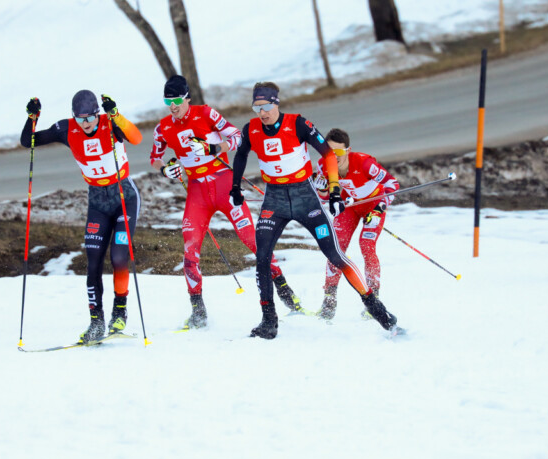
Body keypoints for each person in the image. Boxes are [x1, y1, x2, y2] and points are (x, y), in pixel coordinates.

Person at [230, 81, 402, 339]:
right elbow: (241, 154)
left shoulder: (299, 123)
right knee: (262, 257)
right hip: (274, 199)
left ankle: (377, 309)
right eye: (257, 107)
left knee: (334, 254)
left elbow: (329, 155)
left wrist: (334, 191)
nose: (262, 112)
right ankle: (268, 320)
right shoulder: (251, 129)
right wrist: (235, 187)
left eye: (266, 106)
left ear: (276, 103)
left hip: (304, 196)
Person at [150, 75, 301, 330]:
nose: (172, 106)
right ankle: (198, 310)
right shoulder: (163, 127)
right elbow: (155, 157)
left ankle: (286, 291)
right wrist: (166, 169)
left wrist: (212, 148)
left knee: (251, 240)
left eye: (176, 100)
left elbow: (236, 138)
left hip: (222, 183)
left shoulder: (206, 113)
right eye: (167, 101)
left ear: (187, 98)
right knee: (190, 250)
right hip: (197, 192)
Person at [20, 91, 142, 343]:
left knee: (119, 256)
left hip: (123, 195)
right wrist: (32, 117)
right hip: (97, 200)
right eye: (80, 118)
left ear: (97, 113)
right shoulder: (66, 129)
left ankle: (119, 311)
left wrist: (116, 115)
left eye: (90, 117)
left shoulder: (109, 123)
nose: (85, 123)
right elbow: (28, 141)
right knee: (93, 260)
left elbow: (136, 137)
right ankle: (96, 322)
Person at [313, 128, 400, 320]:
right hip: (349, 207)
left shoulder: (364, 163)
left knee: (366, 246)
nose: (334, 157)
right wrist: (320, 190)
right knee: (336, 249)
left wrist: (380, 208)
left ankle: (373, 299)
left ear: (348, 150)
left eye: (339, 152)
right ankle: (329, 300)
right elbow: (325, 197)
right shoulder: (322, 165)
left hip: (373, 206)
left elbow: (392, 185)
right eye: (329, 152)